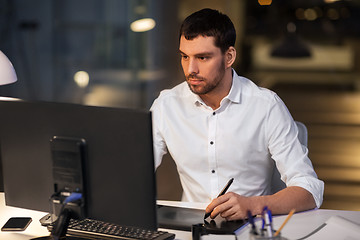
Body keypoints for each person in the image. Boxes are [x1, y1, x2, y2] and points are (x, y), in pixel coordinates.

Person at [150, 8, 324, 221]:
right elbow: (135, 169)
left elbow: (310, 189)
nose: (190, 69)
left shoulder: (266, 106)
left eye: (203, 58)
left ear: (229, 56)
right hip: (191, 227)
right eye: (185, 57)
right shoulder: (167, 105)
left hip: (251, 226)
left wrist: (252, 205)